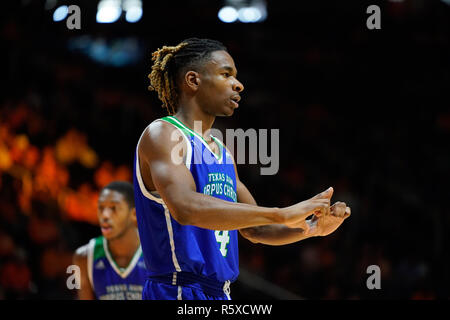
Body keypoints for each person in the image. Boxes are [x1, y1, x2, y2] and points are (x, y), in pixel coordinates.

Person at [134, 38, 350, 300]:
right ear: (193, 80)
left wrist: (311, 228)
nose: (238, 84)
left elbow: (255, 229)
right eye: (226, 74)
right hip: (177, 289)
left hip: (220, 293)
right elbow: (185, 207)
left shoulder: (222, 152)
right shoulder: (163, 133)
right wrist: (280, 214)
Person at [73, 181, 147, 300]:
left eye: (113, 208)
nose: (105, 215)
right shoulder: (84, 257)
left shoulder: (156, 251)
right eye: (101, 208)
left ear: (134, 214)